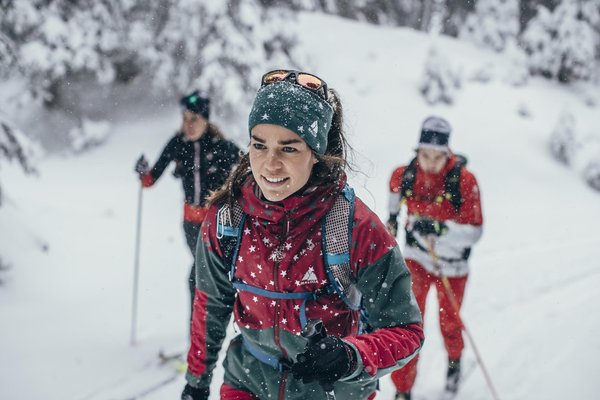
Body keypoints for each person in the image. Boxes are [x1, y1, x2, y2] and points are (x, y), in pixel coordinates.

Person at [180, 70, 424, 400]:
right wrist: (196, 381)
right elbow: (210, 304)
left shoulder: (355, 227)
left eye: (289, 149)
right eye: (259, 145)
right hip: (249, 382)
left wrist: (351, 355)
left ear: (316, 152)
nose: (270, 164)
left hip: (333, 390)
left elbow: (406, 330)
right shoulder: (228, 219)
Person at [387, 116, 483, 400]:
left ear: (448, 153)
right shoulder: (403, 175)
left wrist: (440, 229)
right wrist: (391, 223)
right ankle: (403, 389)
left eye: (436, 156)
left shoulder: (465, 181)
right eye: (424, 154)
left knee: (449, 324)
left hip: (452, 267)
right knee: (408, 324)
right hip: (416, 259)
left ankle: (454, 365)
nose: (429, 162)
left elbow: (475, 232)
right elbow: (393, 206)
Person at [134, 91, 240, 322]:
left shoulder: (222, 146)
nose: (188, 125)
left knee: (201, 276)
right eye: (184, 119)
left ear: (205, 120)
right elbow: (150, 180)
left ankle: (207, 336)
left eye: (194, 119)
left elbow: (250, 170)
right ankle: (199, 338)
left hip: (218, 224)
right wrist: (142, 172)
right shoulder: (177, 144)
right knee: (202, 273)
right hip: (191, 224)